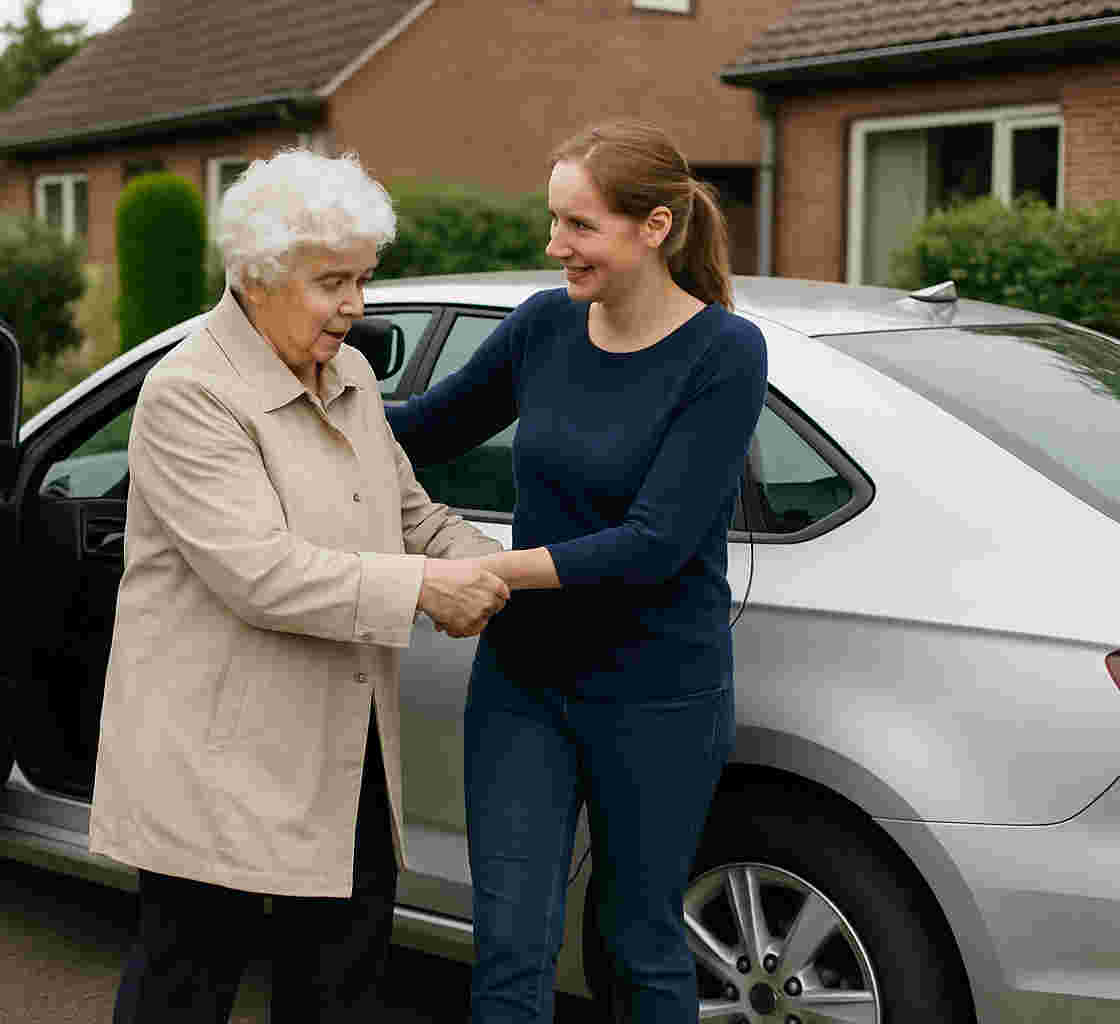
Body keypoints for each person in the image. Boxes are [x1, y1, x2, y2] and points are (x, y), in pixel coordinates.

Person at [87, 147, 510, 1024]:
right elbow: (260, 575)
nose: (355, 307)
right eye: (333, 283)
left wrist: (502, 572)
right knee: (185, 988)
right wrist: (428, 590)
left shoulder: (348, 374)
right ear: (258, 274)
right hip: (216, 762)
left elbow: (407, 514)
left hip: (343, 750)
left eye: (362, 280)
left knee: (341, 988)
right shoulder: (189, 396)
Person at [386, 120, 769, 1023]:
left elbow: (656, 542)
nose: (554, 245)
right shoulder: (544, 327)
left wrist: (487, 571)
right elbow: (426, 432)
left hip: (659, 695)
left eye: (579, 225)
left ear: (657, 227)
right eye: (554, 221)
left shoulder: (725, 352)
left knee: (638, 941)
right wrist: (305, 381)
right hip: (525, 687)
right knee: (511, 947)